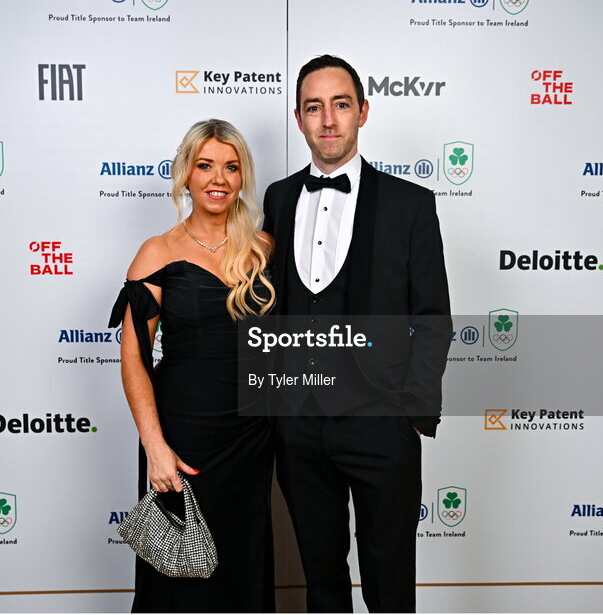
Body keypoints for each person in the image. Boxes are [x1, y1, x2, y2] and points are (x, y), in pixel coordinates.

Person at [262, 55, 451, 612]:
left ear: (363, 112)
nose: (328, 120)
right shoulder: (276, 198)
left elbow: (434, 318)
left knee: (390, 589)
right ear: (298, 118)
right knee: (322, 585)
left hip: (381, 426)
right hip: (299, 428)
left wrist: (411, 416)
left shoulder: (410, 204)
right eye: (314, 107)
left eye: (340, 105)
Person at [110, 119, 276, 612]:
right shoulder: (156, 252)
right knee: (181, 574)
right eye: (205, 166)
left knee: (243, 567)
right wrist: (155, 446)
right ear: (186, 174)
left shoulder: (264, 250)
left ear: (243, 176)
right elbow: (135, 359)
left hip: (251, 438)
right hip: (183, 438)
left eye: (231, 166)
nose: (218, 179)